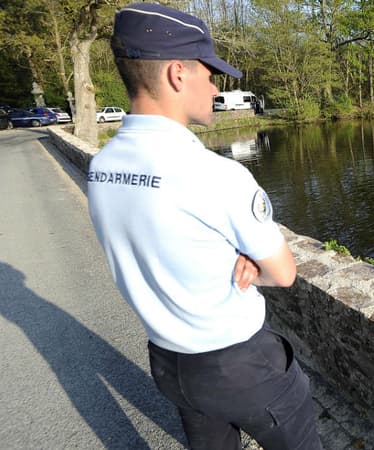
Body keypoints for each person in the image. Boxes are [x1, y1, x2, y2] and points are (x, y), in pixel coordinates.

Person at [87, 3, 321, 449]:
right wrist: (246, 259)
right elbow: (282, 273)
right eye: (208, 73)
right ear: (178, 74)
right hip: (241, 366)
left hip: (171, 365)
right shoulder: (215, 174)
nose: (215, 86)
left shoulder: (102, 168)